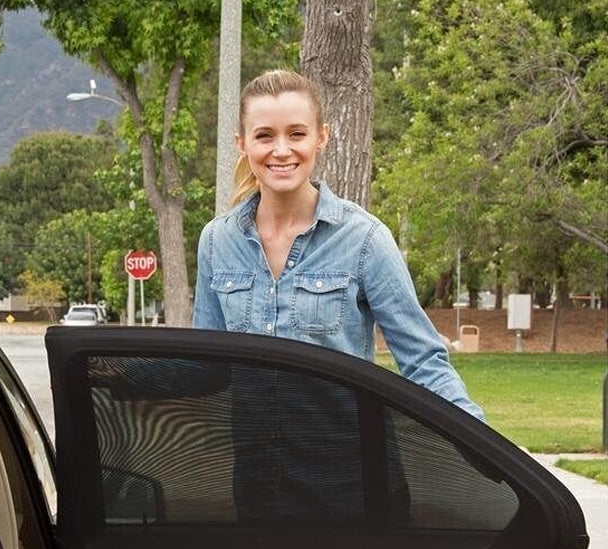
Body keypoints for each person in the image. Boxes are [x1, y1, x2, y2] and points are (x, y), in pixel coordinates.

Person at [194, 69, 484, 421]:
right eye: (265, 136)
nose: (281, 150)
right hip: (253, 468)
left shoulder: (364, 240)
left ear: (321, 137)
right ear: (242, 144)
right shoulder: (217, 241)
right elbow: (204, 367)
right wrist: (114, 370)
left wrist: (487, 452)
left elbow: (423, 361)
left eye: (297, 134)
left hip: (348, 467)